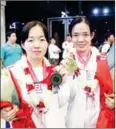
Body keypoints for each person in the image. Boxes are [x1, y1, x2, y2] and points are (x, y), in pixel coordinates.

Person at [0, 21, 66, 128]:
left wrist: (65, 82)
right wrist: (1, 112)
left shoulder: (57, 73)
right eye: (31, 40)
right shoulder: (11, 73)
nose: (37, 45)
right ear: (22, 44)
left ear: (47, 43)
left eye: (41, 39)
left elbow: (64, 103)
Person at [57, 16, 115, 128]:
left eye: (85, 34)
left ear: (92, 35)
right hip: (74, 122)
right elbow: (61, 101)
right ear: (70, 37)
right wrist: (63, 82)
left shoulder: (103, 61)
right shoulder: (65, 63)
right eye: (76, 35)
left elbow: (111, 91)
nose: (80, 40)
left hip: (99, 121)